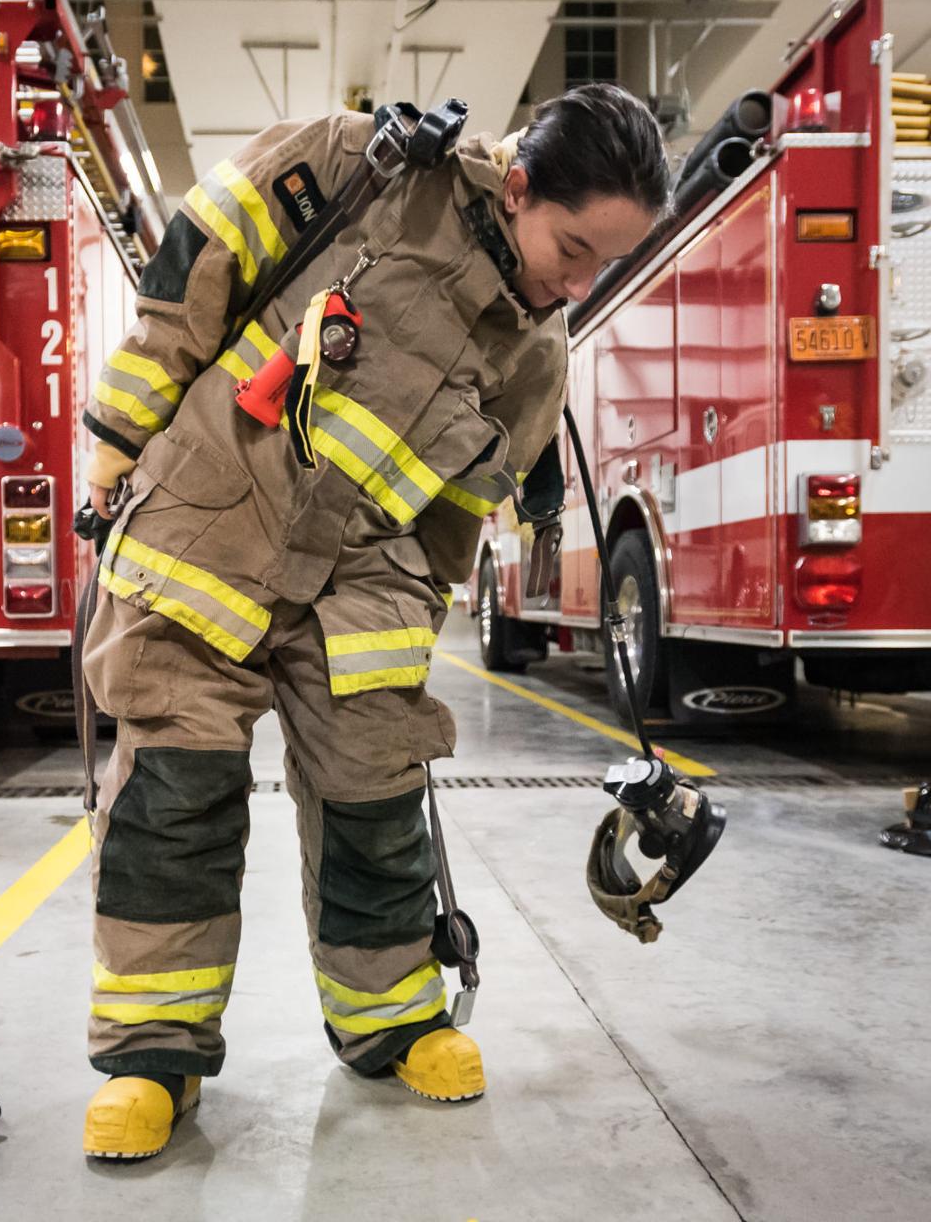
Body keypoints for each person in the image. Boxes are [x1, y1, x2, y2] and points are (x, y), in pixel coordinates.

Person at [79, 83, 669, 1161]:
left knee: (377, 812)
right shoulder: (363, 167)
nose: (578, 285)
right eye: (573, 248)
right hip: (209, 533)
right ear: (520, 185)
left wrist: (410, 610)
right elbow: (189, 276)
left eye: (606, 265)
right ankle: (152, 1056)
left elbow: (464, 509)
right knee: (174, 801)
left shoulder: (539, 351)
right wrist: (116, 441)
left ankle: (392, 1022)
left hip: (363, 592)